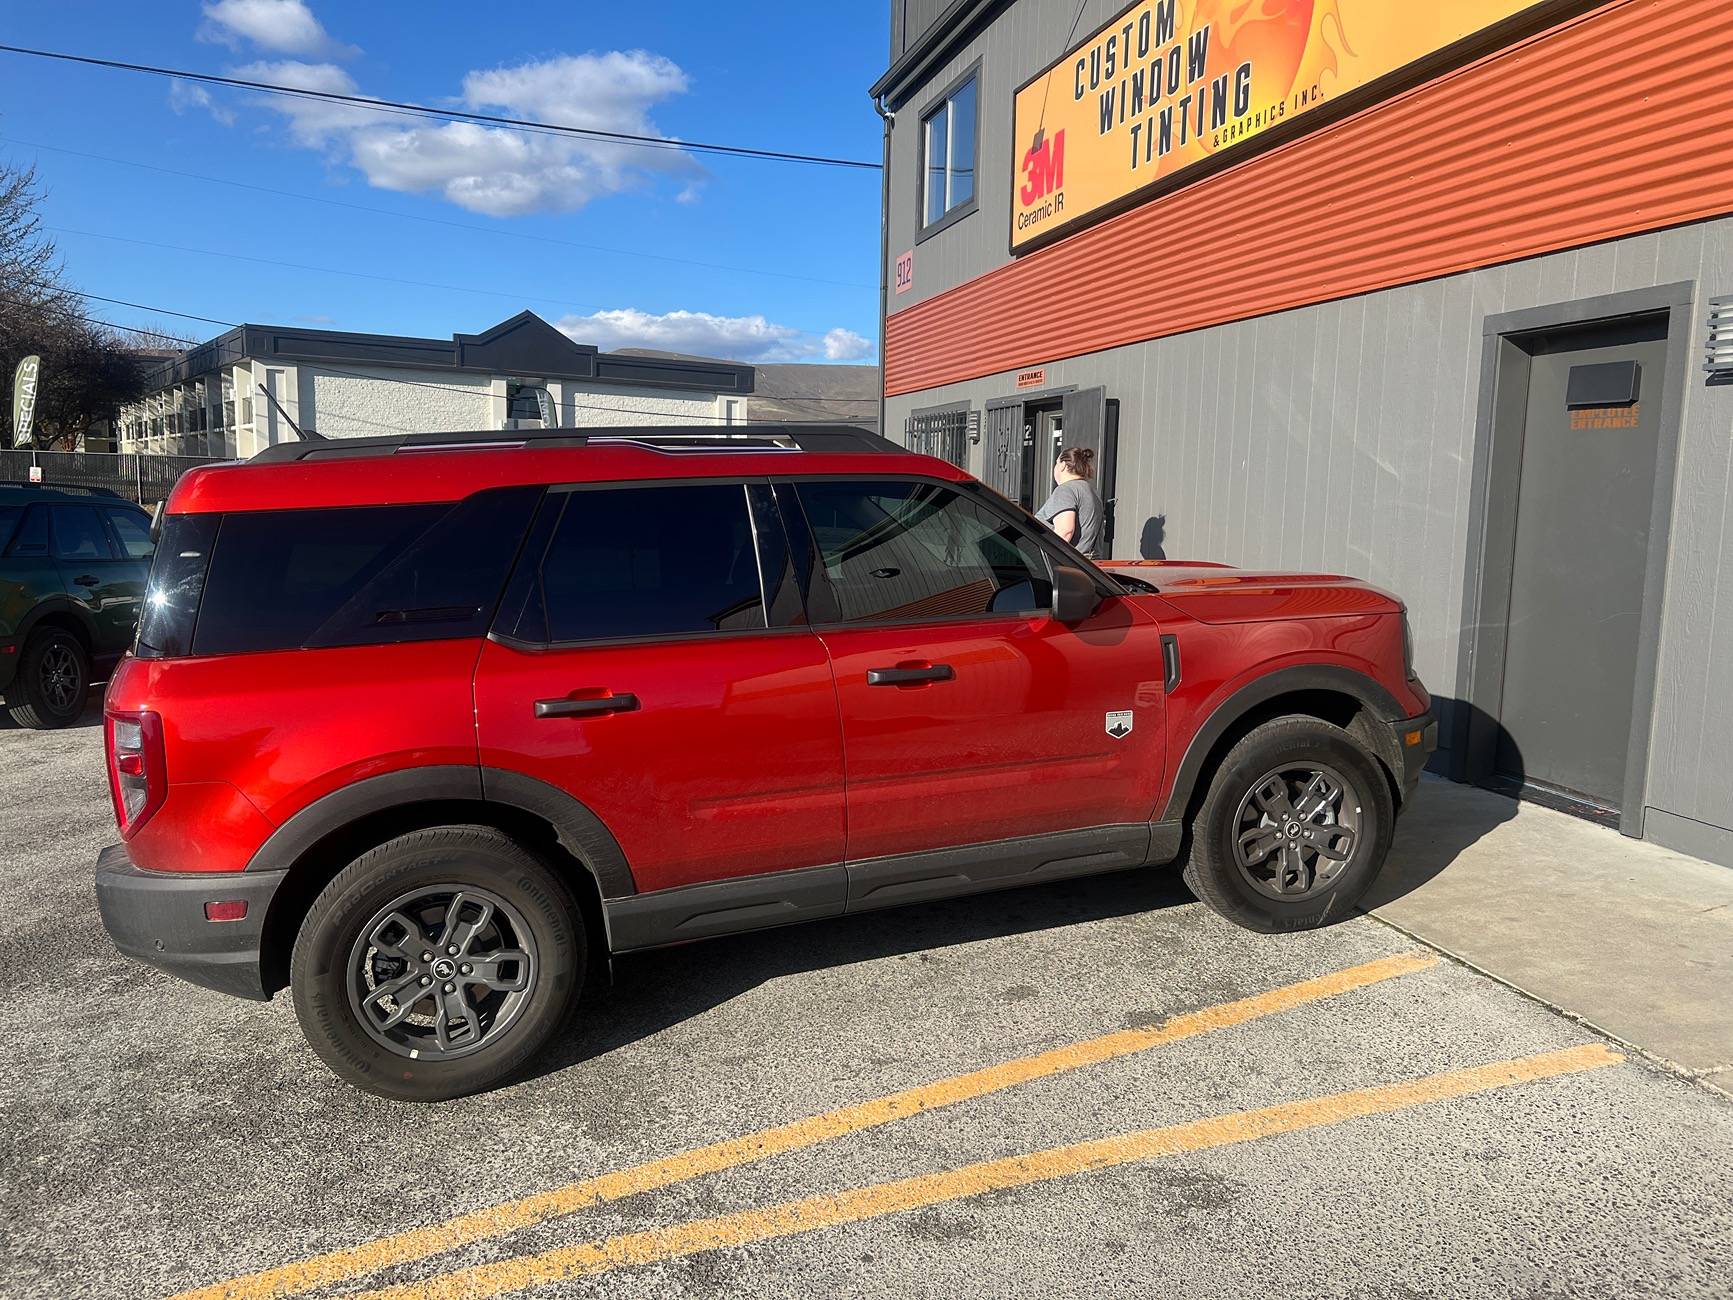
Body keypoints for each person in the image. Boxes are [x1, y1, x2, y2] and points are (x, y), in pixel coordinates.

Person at [1035, 446, 1104, 558]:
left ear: (1062, 465)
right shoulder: (1092, 492)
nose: (1055, 468)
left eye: (1056, 463)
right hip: (1089, 565)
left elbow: (1065, 531)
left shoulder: (1066, 490)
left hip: (1069, 565)